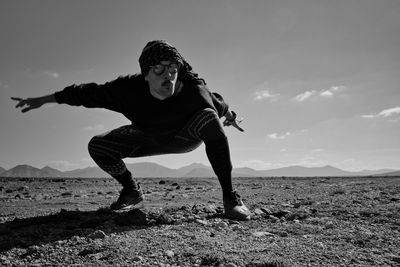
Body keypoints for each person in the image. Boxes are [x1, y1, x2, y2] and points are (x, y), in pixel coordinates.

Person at [11, 40, 251, 220]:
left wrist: (230, 117)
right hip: (148, 137)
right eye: (159, 69)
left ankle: (230, 197)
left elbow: (220, 105)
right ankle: (131, 191)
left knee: (209, 117)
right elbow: (85, 93)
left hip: (184, 136)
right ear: (145, 73)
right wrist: (44, 99)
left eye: (173, 69)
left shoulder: (195, 91)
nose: (168, 76)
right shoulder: (127, 90)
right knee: (98, 145)